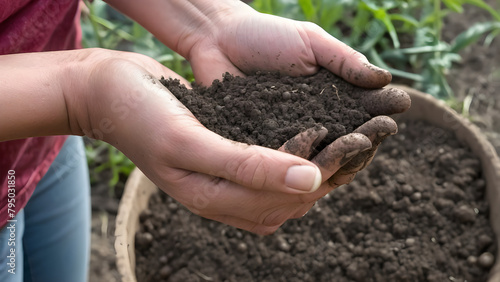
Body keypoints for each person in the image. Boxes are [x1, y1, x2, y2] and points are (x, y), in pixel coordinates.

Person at [0, 0, 410, 281]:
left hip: (45, 147)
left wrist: (209, 21)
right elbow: (81, 92)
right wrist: (79, 94)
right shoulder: (78, 94)